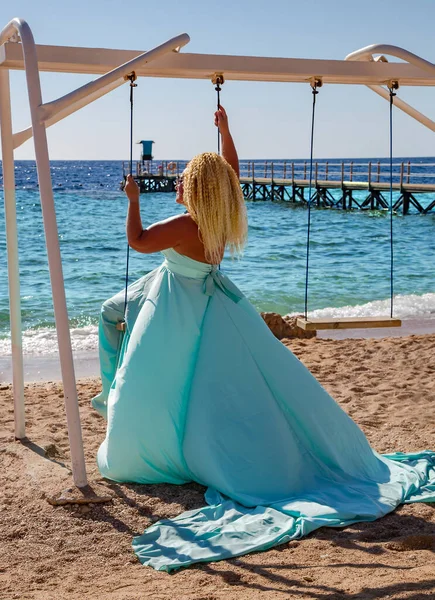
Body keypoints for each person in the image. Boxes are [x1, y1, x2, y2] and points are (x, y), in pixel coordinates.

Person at [93, 107, 435, 572]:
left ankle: (113, 398)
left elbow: (137, 240)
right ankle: (107, 394)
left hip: (179, 298)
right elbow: (230, 172)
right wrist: (226, 132)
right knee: (113, 314)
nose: (173, 184)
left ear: (196, 191)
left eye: (181, 181)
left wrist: (132, 198)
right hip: (199, 291)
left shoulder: (186, 224)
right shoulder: (218, 215)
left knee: (147, 371)